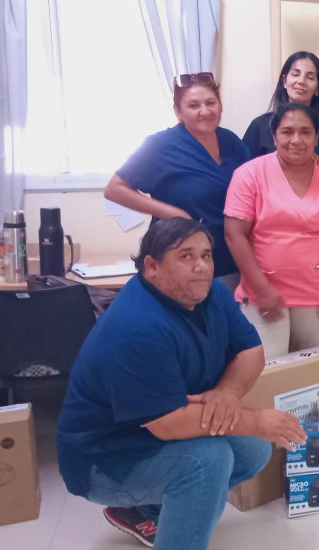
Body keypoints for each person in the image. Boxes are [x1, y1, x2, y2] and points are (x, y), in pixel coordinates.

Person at [57, 218, 306, 550]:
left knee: (252, 448)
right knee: (207, 461)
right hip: (102, 459)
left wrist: (226, 393)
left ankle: (147, 512)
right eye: (185, 256)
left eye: (206, 255)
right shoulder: (137, 327)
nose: (201, 266)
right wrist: (256, 419)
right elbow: (169, 425)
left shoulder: (212, 292)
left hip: (152, 429)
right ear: (152, 266)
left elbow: (251, 351)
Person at [225, 103, 319, 360]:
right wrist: (261, 289)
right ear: (274, 137)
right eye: (287, 132)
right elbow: (234, 234)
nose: (296, 139)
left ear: (317, 138)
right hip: (262, 295)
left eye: (305, 132)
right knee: (265, 371)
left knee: (307, 375)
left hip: (317, 296)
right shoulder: (249, 175)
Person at [104, 72, 249, 290]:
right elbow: (115, 189)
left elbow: (258, 181)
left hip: (230, 260)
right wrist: (176, 215)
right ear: (178, 112)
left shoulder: (231, 141)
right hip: (180, 259)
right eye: (193, 105)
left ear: (221, 105)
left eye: (211, 102)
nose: (205, 111)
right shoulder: (160, 145)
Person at [243, 51, 319, 171]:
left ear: (318, 88)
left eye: (310, 77)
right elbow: (244, 173)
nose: (301, 81)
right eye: (295, 74)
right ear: (284, 81)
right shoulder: (260, 126)